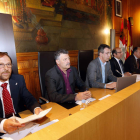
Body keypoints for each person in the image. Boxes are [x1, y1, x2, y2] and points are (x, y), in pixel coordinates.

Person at [0, 52, 42, 134]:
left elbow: (28, 98)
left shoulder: (18, 79)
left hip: (20, 121)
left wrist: (36, 108)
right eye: (1, 65)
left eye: (8, 64)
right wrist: (2, 124)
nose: (6, 68)